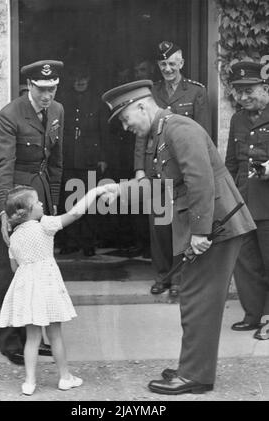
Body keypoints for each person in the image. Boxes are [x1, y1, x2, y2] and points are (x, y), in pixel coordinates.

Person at [101, 80, 255, 395]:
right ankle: (191, 367)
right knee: (194, 298)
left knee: (199, 301)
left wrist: (200, 232)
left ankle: (195, 376)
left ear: (142, 106)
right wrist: (122, 189)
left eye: (126, 118)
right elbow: (164, 185)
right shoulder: (162, 132)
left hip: (216, 227)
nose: (126, 126)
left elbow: (201, 181)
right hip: (208, 226)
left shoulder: (179, 130)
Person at [0, 183, 110, 395]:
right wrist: (94, 193)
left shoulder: (13, 238)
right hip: (47, 287)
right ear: (29, 211)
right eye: (38, 201)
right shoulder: (45, 225)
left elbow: (15, 268)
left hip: (28, 291)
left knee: (32, 338)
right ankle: (65, 377)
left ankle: (29, 382)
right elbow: (75, 214)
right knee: (55, 335)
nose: (42, 203)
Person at [0, 59, 64, 365]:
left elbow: (56, 161)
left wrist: (55, 201)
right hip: (18, 201)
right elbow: (1, 166)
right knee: (13, 272)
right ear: (29, 86)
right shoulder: (9, 115)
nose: (47, 95)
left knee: (42, 268)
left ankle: (38, 337)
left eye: (52, 88)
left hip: (41, 196)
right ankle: (12, 343)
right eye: (42, 89)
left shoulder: (57, 111)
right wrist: (4, 213)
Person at [134, 41, 211, 296]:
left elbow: (202, 134)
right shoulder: (151, 92)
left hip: (181, 171)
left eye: (172, 63)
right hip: (154, 168)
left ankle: (179, 279)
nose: (168, 68)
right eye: (163, 64)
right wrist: (139, 171)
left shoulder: (197, 92)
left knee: (182, 226)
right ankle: (162, 275)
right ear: (158, 66)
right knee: (159, 226)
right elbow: (141, 133)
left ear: (182, 64)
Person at [225, 61, 269, 340]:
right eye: (239, 92)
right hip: (244, 201)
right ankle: (253, 313)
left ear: (265, 87)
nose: (243, 97)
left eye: (249, 90)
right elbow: (230, 163)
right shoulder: (237, 119)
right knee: (246, 261)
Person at [57, 62, 108, 256]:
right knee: (69, 201)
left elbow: (104, 132)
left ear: (89, 79)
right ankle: (71, 242)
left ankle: (88, 243)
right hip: (70, 159)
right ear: (71, 80)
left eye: (83, 77)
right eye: (76, 78)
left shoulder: (97, 102)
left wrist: (103, 157)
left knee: (91, 202)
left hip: (90, 160)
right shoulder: (63, 102)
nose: (80, 81)